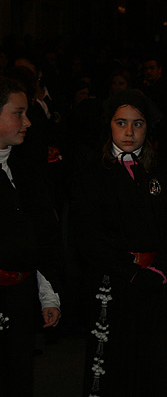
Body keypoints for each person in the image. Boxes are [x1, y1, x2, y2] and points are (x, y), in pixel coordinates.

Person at [72, 89, 167, 396]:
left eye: (137, 124)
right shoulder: (93, 172)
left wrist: (162, 268)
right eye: (121, 123)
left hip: (159, 280)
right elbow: (88, 233)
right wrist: (130, 271)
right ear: (109, 125)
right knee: (116, 363)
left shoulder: (163, 170)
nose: (129, 131)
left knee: (156, 363)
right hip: (114, 281)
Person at [0, 76, 62, 397]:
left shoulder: (24, 170)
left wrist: (46, 293)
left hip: (21, 300)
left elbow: (37, 240)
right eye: (18, 113)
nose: (27, 122)